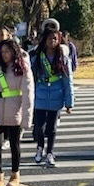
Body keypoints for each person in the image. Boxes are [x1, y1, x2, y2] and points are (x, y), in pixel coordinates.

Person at [0, 36, 34, 186]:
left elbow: (28, 94)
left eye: (8, 51)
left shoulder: (23, 68)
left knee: (14, 144)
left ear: (15, 52)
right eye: (2, 51)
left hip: (15, 111)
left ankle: (15, 175)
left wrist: (26, 118)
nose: (5, 54)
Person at [31, 21, 74, 167]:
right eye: (49, 39)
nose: (52, 41)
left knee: (52, 127)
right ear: (45, 40)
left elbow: (68, 81)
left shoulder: (63, 58)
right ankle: (39, 148)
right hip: (40, 94)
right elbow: (31, 79)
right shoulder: (37, 58)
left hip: (56, 95)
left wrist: (69, 102)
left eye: (55, 39)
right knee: (39, 127)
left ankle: (50, 152)